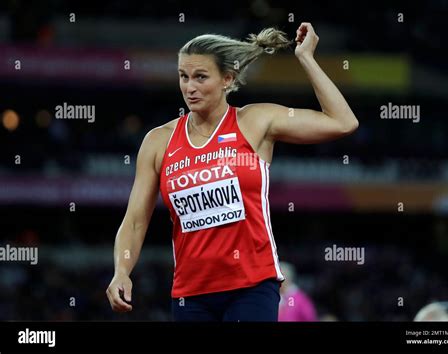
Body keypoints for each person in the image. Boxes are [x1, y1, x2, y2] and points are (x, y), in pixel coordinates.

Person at [106, 22, 359, 321]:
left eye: (201, 77)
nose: (190, 87)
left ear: (228, 78)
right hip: (191, 295)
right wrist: (121, 271)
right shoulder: (159, 141)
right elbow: (135, 220)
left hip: (252, 287)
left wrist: (306, 58)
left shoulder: (255, 121)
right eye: (183, 77)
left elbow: (343, 122)